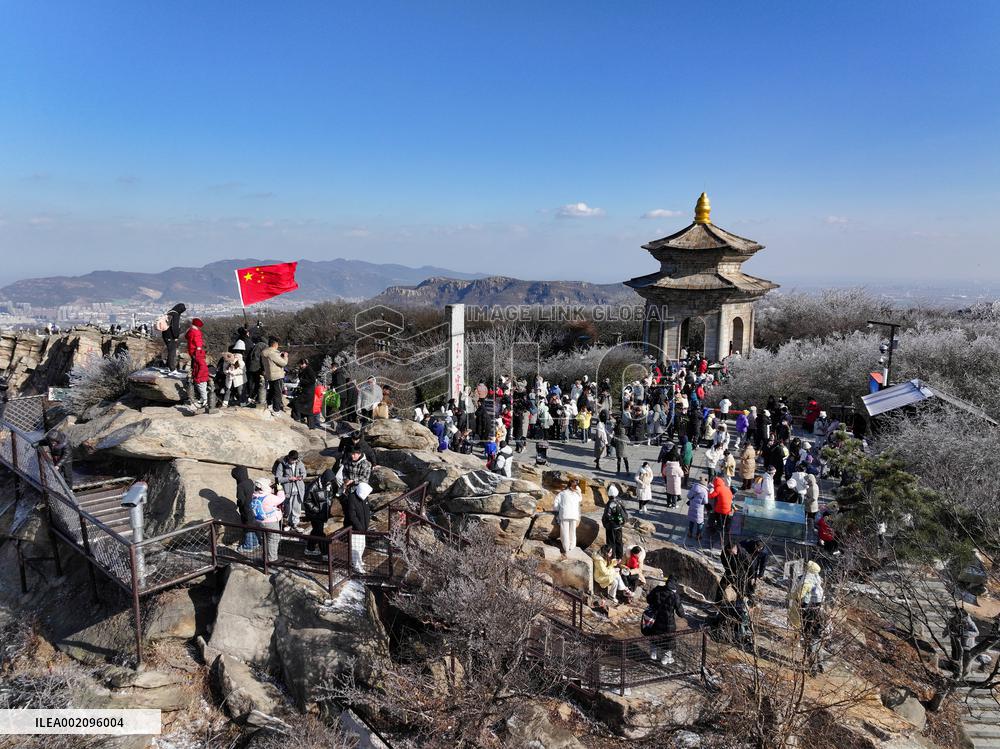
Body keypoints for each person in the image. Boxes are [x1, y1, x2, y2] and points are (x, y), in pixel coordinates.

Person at [788, 561, 825, 674]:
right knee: (818, 638)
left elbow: (799, 596)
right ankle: (820, 663)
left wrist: (789, 596)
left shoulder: (806, 582)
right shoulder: (818, 580)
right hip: (820, 612)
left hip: (809, 612)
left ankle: (812, 667)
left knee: (810, 639)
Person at [645, 576, 685, 665]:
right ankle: (665, 658)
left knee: (655, 635)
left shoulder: (658, 589)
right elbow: (681, 613)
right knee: (669, 640)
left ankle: (653, 653)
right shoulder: (675, 596)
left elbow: (648, 599)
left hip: (655, 620)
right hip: (668, 623)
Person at [250, 477, 284, 564]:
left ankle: (265, 557)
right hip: (270, 522)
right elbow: (281, 499)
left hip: (259, 521)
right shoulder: (269, 497)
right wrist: (280, 490)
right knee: (273, 539)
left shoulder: (254, 496)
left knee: (264, 539)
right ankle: (272, 559)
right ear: (265, 487)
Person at [302, 468, 335, 557]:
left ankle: (309, 548)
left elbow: (330, 495)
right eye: (328, 480)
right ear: (325, 478)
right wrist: (317, 510)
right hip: (315, 514)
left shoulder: (328, 484)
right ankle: (325, 553)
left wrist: (328, 505)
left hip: (323, 513)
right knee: (320, 533)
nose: (330, 482)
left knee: (316, 531)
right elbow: (306, 501)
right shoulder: (313, 486)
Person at [344, 481, 373, 574]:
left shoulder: (364, 498)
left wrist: (365, 526)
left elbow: (367, 511)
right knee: (356, 547)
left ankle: (358, 560)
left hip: (363, 527)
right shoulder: (351, 498)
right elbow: (352, 516)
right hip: (355, 528)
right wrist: (360, 527)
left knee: (362, 545)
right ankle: (356, 565)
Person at [274, 450, 307, 530]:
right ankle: (287, 524)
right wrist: (288, 479)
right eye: (292, 460)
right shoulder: (282, 464)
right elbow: (278, 478)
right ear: (288, 457)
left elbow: (304, 473)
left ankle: (295, 524)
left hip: (298, 489)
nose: (293, 462)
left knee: (297, 508)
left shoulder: (299, 463)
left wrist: (301, 477)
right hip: (287, 490)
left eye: (295, 460)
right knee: (288, 508)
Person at [946, 607, 979, 679]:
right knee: (955, 657)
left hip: (966, 645)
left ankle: (963, 677)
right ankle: (954, 671)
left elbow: (976, 633)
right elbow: (947, 629)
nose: (954, 615)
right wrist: (948, 632)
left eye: (956, 614)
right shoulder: (953, 620)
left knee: (966, 662)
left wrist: (963, 633)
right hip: (955, 643)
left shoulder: (969, 622)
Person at [232, 466, 259, 551]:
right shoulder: (250, 481)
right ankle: (255, 543)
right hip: (253, 507)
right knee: (253, 526)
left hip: (246, 509)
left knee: (248, 527)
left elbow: (241, 499)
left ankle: (248, 546)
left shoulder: (240, 486)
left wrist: (238, 504)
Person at [553, 478, 583, 555]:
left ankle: (565, 547)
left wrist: (557, 510)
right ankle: (572, 546)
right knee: (572, 531)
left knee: (564, 531)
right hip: (574, 515)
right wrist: (578, 490)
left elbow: (556, 504)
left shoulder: (562, 493)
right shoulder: (576, 495)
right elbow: (580, 499)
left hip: (564, 514)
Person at [186, 318, 210, 408]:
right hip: (196, 352)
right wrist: (199, 349)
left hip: (191, 351)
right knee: (202, 387)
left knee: (194, 365)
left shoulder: (190, 331)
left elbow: (187, 337)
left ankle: (203, 399)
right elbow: (198, 342)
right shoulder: (197, 332)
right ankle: (205, 400)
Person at [262, 336, 288, 413]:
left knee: (271, 391)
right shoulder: (272, 353)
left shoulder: (265, 352)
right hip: (277, 375)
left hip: (270, 375)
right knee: (278, 393)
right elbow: (283, 363)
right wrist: (285, 357)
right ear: (274, 344)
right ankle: (276, 409)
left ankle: (269, 404)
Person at [602, 485, 629, 559]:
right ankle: (620, 557)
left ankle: (612, 557)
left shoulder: (611, 503)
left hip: (612, 526)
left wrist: (605, 521)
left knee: (611, 542)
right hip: (619, 525)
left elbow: (608, 515)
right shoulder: (619, 500)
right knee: (619, 541)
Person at [160, 303, 186, 372]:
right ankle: (172, 369)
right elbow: (175, 327)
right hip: (170, 336)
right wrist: (176, 336)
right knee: (172, 352)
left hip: (165, 334)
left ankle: (167, 367)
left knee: (169, 351)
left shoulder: (170, 312)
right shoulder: (175, 315)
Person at [709, 476, 734, 545]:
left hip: (720, 509)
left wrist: (710, 491)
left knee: (717, 517)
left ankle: (718, 531)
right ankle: (724, 526)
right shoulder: (726, 488)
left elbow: (711, 496)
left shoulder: (718, 488)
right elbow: (731, 496)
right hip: (728, 509)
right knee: (724, 519)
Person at [686, 476, 708, 542]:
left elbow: (689, 496)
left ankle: (690, 533)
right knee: (700, 522)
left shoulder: (694, 487)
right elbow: (705, 501)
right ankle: (698, 535)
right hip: (699, 508)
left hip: (692, 506)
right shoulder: (705, 491)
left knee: (691, 520)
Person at [804, 474, 820, 538]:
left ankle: (811, 530)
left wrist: (807, 500)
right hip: (810, 506)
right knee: (809, 518)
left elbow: (814, 498)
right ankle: (809, 528)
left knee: (811, 518)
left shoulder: (814, 488)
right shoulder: (813, 485)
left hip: (811, 507)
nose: (806, 481)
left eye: (807, 480)